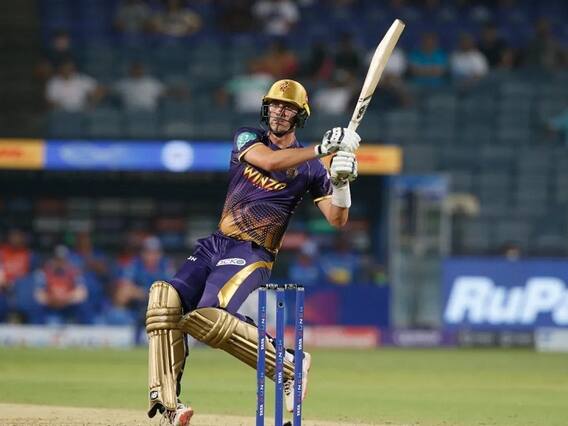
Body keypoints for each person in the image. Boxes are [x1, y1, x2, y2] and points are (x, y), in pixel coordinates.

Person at [145, 79, 360, 425]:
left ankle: (289, 365)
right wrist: (322, 148)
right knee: (163, 298)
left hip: (253, 251)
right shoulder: (247, 138)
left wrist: (340, 182)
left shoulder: (311, 169)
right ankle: (170, 404)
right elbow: (271, 162)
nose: (279, 112)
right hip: (216, 243)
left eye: (288, 107)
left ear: (300, 116)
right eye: (275, 105)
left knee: (207, 317)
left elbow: (337, 219)